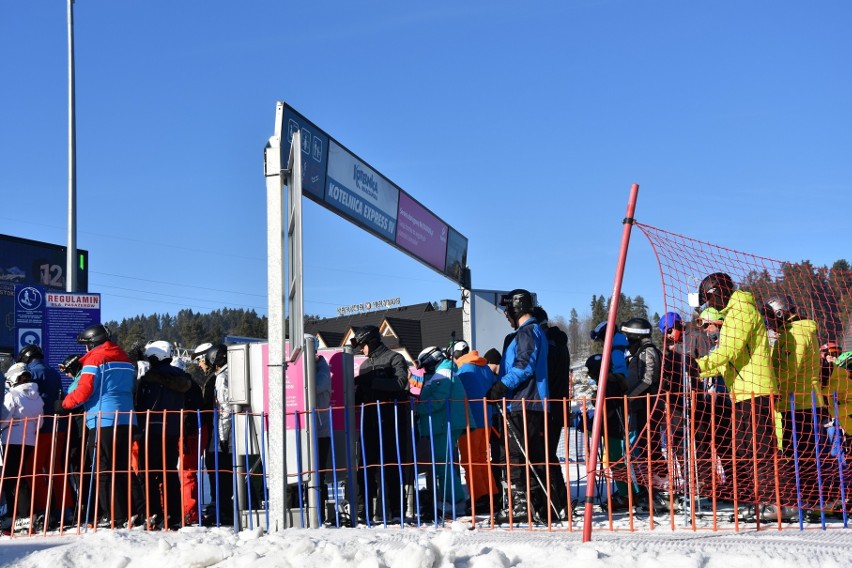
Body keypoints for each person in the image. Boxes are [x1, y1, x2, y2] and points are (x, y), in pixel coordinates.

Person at [692, 273, 781, 521]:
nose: (710, 306)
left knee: (760, 448)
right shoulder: (733, 314)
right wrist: (696, 370)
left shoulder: (741, 312)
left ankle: (779, 501)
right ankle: (763, 499)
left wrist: (697, 366)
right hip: (742, 392)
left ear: (718, 292)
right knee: (743, 448)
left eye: (710, 300)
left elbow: (728, 352)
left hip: (757, 389)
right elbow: (725, 362)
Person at [61, 324, 144, 528]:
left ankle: (113, 515)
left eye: (86, 345)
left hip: (103, 420)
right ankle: (137, 511)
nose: (85, 350)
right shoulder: (125, 358)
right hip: (127, 419)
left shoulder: (95, 359)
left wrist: (64, 404)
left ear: (92, 343)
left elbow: (84, 391)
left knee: (103, 469)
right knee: (124, 467)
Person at [486, 289, 549, 523]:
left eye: (507, 310)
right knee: (525, 455)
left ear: (516, 308)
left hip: (525, 402)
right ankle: (534, 505)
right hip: (524, 402)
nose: (506, 315)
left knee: (517, 456)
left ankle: (522, 505)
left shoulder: (528, 332)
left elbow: (524, 367)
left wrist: (499, 387)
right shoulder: (528, 332)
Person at [762, 294, 823, 516]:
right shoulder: (797, 331)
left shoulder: (796, 332)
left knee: (800, 455)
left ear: (780, 313)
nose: (770, 322)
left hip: (799, 403)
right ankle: (811, 501)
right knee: (803, 454)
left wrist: (767, 378)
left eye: (771, 316)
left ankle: (811, 502)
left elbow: (791, 369)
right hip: (800, 401)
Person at [350, 325, 411, 523]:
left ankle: (397, 512)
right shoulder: (364, 365)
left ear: (372, 341)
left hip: (392, 423)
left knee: (392, 468)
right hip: (369, 422)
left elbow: (402, 383)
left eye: (363, 345)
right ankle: (363, 512)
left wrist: (373, 381)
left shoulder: (395, 358)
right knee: (365, 468)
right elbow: (362, 394)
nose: (361, 349)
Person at [136, 340, 192, 529]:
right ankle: (174, 513)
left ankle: (153, 512)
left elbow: (142, 403)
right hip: (173, 430)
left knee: (148, 474)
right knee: (168, 472)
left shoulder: (150, 378)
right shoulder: (181, 376)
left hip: (152, 429)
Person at [16, 344, 73, 528]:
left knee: (33, 471)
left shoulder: (32, 373)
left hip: (40, 428)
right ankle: (66, 510)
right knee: (57, 469)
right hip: (60, 426)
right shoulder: (53, 372)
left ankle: (42, 511)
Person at [415, 346, 468, 518]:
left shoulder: (443, 373)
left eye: (425, 365)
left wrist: (417, 408)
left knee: (443, 464)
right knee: (443, 463)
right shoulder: (441, 372)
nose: (425, 369)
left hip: (445, 423)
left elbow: (438, 400)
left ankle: (454, 501)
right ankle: (453, 500)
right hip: (443, 423)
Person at [531, 306, 571, 518]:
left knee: (544, 455)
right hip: (558, 403)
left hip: (547, 405)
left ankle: (556, 501)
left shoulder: (546, 344)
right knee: (548, 454)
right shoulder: (558, 342)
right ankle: (560, 499)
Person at [450, 341, 498, 514]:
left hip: (469, 421)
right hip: (487, 419)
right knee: (482, 458)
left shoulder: (462, 370)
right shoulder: (483, 367)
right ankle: (492, 495)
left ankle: (479, 498)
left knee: (470, 461)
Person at [192, 343, 234, 526]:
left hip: (220, 433)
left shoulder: (218, 378)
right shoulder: (222, 375)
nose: (201, 365)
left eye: (201, 360)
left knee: (219, 471)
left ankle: (221, 508)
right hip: (222, 431)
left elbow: (223, 407)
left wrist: (223, 437)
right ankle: (221, 506)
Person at [0, 363, 44, 532]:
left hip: (11, 439)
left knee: (11, 479)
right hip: (30, 440)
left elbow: (4, 417)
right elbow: (40, 422)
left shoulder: (12, 394)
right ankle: (21, 515)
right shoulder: (37, 397)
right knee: (20, 476)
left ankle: (20, 516)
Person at [584, 354, 630, 509]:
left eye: (591, 372)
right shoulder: (613, 382)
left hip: (615, 428)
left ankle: (627, 495)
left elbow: (608, 410)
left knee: (616, 462)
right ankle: (628, 492)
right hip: (614, 427)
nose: (590, 376)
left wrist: (592, 422)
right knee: (616, 462)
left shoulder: (609, 385)